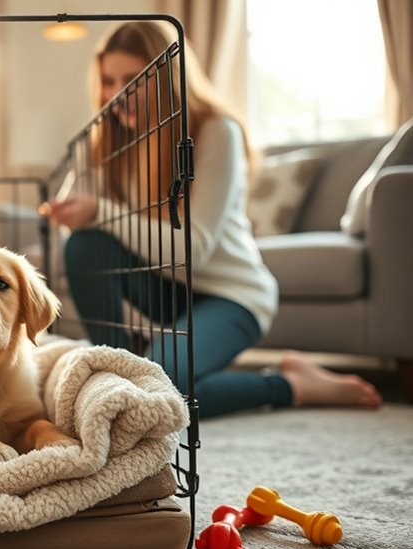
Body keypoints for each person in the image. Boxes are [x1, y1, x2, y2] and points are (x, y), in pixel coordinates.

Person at [41, 21, 381, 418]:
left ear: (167, 77)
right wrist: (81, 189)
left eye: (133, 80)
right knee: (85, 245)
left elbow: (195, 250)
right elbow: (74, 224)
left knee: (159, 385)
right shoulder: (111, 144)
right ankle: (115, 371)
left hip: (232, 295)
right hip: (168, 289)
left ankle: (290, 386)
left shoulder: (215, 131)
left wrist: (100, 210)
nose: (118, 95)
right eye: (108, 82)